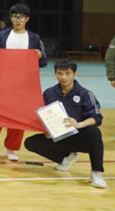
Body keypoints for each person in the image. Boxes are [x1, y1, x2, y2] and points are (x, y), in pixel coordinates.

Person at [0, 3, 47, 161]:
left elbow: (44, 61)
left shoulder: (34, 38)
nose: (18, 20)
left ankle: (11, 149)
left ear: (27, 19)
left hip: (23, 85)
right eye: (15, 16)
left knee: (17, 117)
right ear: (10, 18)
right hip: (2, 83)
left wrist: (39, 56)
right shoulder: (2, 35)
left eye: (21, 17)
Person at [24, 60, 106, 189]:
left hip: (80, 137)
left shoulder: (85, 94)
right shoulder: (49, 93)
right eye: (60, 73)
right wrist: (47, 130)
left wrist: (78, 124)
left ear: (75, 74)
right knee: (30, 142)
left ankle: (97, 173)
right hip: (60, 138)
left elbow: (96, 118)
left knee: (94, 131)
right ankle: (65, 159)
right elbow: (42, 115)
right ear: (55, 73)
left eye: (67, 73)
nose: (63, 77)